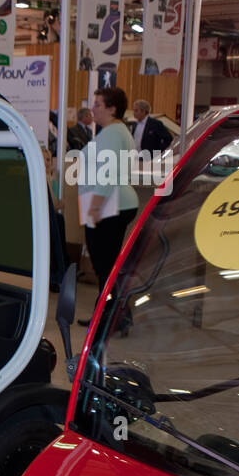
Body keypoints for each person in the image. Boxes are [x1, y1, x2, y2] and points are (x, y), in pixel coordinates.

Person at [80, 85, 139, 323]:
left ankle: (110, 318)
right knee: (107, 265)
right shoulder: (114, 131)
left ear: (112, 109)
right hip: (112, 204)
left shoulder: (113, 133)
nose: (92, 108)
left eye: (98, 104)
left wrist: (94, 208)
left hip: (110, 206)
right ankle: (111, 316)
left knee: (104, 265)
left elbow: (108, 172)